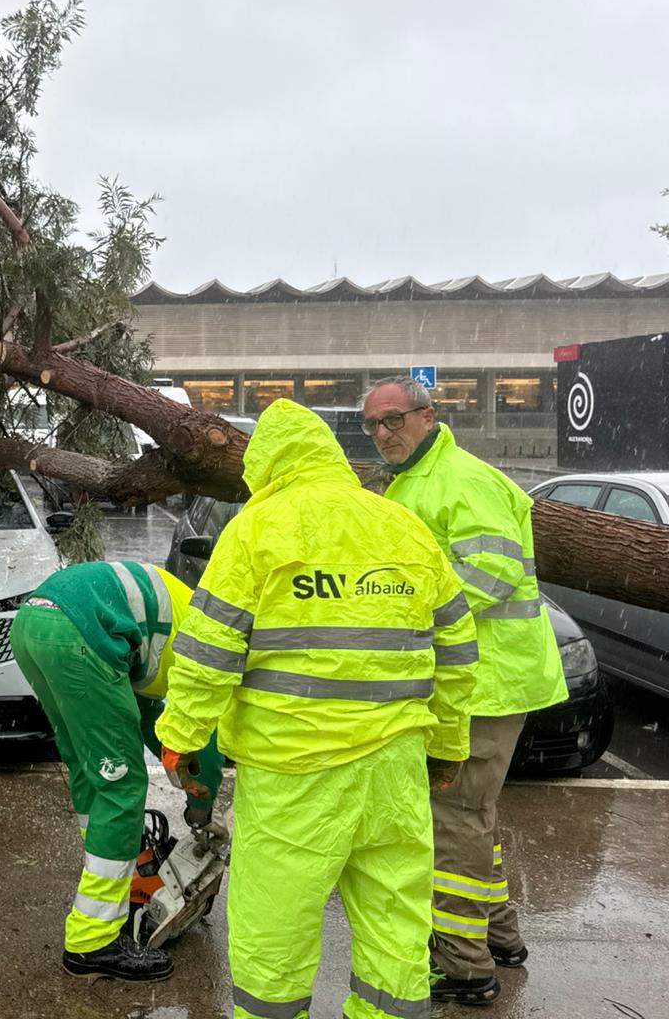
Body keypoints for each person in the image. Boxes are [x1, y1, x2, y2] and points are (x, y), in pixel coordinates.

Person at [157, 399, 479, 1019]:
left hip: (294, 772)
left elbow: (207, 653)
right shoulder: (402, 528)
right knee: (395, 929)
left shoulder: (256, 529)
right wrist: (446, 746)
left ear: (265, 464)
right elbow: (460, 655)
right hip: (395, 771)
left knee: (275, 931)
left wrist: (181, 735)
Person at [363, 375, 567, 1006]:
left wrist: (407, 616)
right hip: (477, 679)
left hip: (486, 683)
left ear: (428, 415)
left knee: (453, 820)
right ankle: (500, 939)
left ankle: (464, 966)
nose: (382, 434)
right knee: (471, 817)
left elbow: (492, 572)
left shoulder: (465, 480)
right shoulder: (417, 482)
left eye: (393, 419)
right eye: (372, 424)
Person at [9, 559, 224, 983]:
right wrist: (201, 806)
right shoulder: (210, 656)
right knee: (122, 786)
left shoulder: (188, 621)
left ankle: (111, 885)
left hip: (35, 621)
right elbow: (200, 746)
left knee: (93, 771)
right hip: (79, 635)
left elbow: (150, 723)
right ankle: (93, 940)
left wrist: (178, 769)